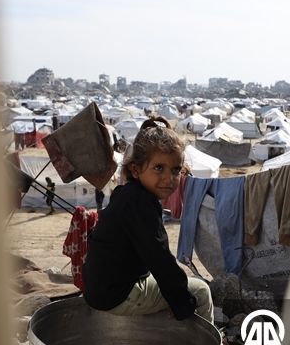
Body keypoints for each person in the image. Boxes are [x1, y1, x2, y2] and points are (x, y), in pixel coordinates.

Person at [82, 118, 213, 323]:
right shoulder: (140, 202)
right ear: (135, 170)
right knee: (201, 290)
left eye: (176, 170)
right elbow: (159, 256)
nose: (169, 178)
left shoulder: (126, 194)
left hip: (98, 291)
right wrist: (183, 302)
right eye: (159, 168)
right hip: (119, 296)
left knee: (170, 285)